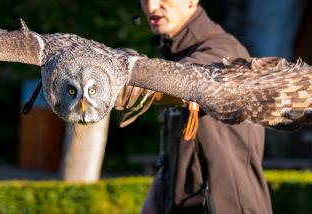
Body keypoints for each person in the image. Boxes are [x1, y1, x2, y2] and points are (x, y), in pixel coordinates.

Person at [115, 0, 272, 213]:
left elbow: (183, 77)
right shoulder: (175, 53)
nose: (151, 7)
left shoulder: (225, 53)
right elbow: (179, 159)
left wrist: (116, 79)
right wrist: (156, 200)